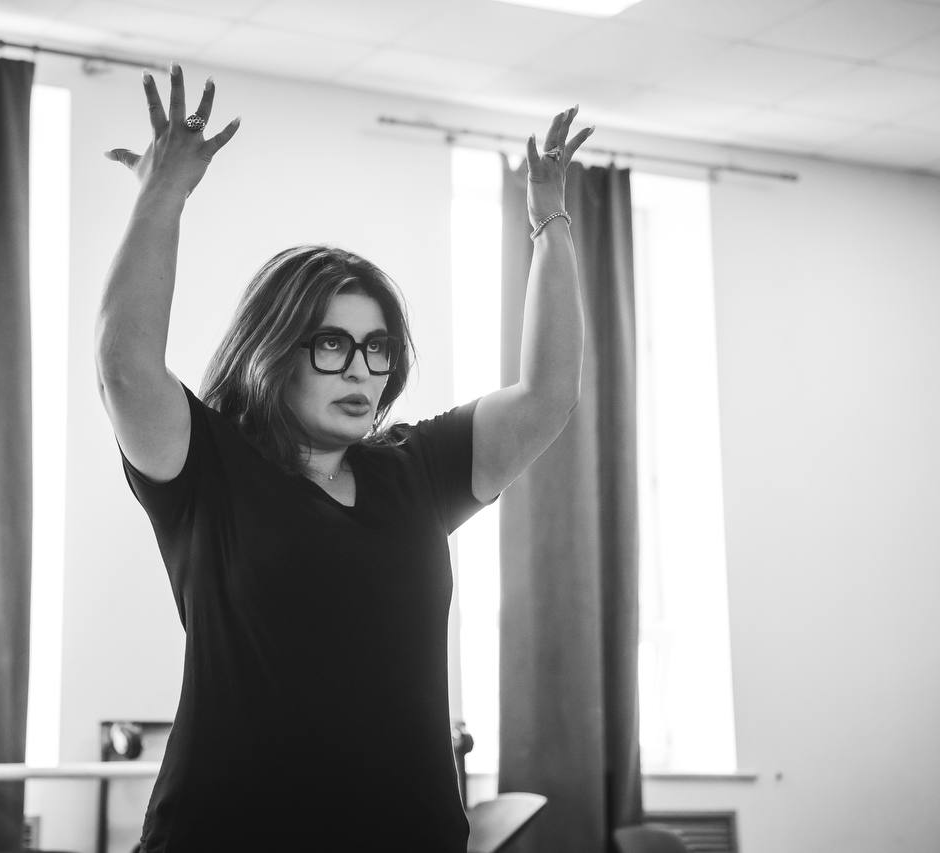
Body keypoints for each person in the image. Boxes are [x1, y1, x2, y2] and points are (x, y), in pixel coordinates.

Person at [98, 62, 592, 853]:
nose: (363, 369)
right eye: (332, 344)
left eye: (377, 347)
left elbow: (548, 396)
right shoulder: (209, 472)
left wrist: (549, 222)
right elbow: (125, 366)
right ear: (274, 351)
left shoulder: (416, 471)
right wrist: (163, 194)